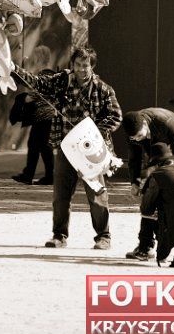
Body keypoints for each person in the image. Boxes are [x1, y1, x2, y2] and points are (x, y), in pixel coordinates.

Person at [13, 46, 122, 250]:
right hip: (66, 148)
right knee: (60, 195)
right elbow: (37, 83)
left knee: (96, 194)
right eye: (78, 64)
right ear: (72, 64)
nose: (81, 69)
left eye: (86, 65)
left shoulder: (103, 89)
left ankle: (103, 236)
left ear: (92, 66)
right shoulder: (61, 81)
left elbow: (116, 116)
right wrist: (13, 68)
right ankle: (59, 236)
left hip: (91, 150)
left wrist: (94, 132)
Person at [122, 107, 174, 260]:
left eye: (140, 136)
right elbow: (134, 158)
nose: (138, 140)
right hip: (160, 160)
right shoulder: (133, 132)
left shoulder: (165, 122)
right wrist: (134, 182)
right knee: (149, 200)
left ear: (145, 125)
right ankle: (145, 247)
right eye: (134, 138)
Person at [10, 45, 55, 186]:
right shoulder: (51, 73)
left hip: (43, 116)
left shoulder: (44, 75)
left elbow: (34, 96)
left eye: (35, 57)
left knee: (38, 146)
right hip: (47, 116)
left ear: (39, 58)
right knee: (41, 147)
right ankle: (40, 175)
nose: (33, 59)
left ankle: (33, 175)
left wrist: (23, 98)